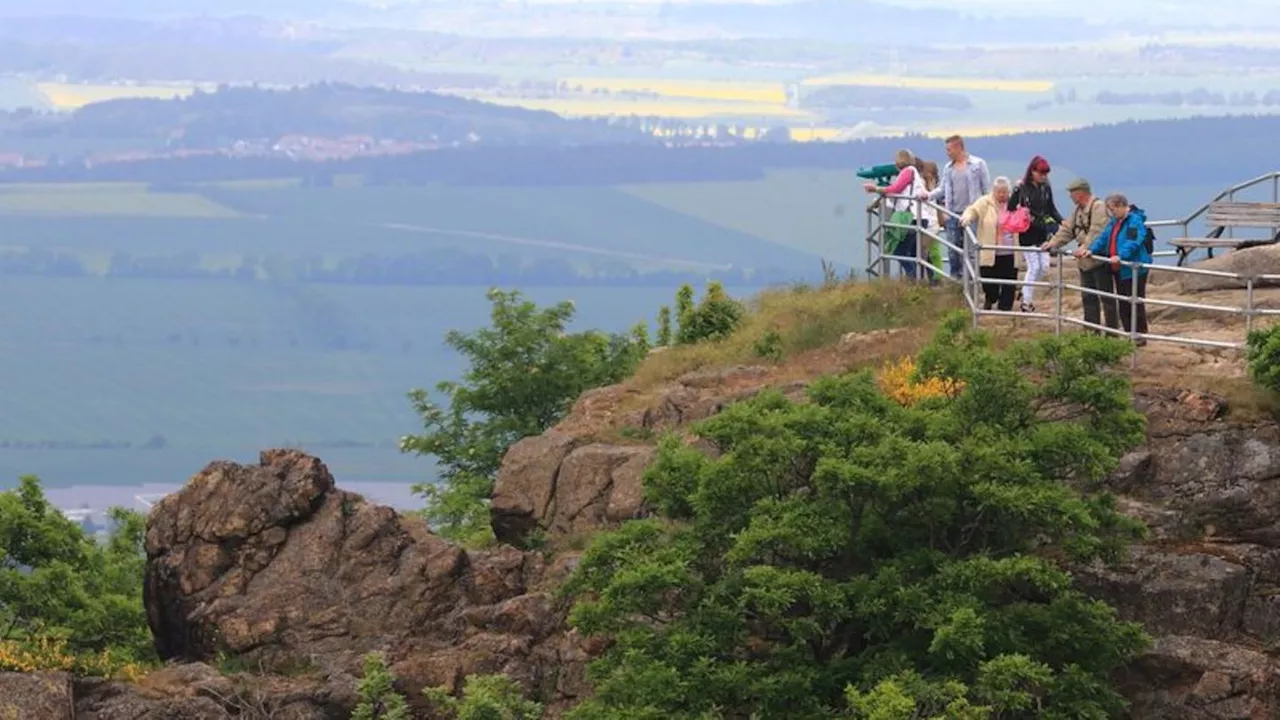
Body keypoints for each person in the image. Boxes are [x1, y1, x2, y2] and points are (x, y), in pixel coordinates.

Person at [1041, 178, 1117, 333]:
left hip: (1099, 261)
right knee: (1088, 298)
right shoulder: (1078, 211)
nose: (1070, 197)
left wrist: (1085, 247)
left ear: (1080, 194)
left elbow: (1097, 231)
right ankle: (1090, 332)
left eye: (1072, 193)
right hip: (1084, 262)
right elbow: (1068, 229)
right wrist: (1052, 243)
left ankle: (1112, 333)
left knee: (1106, 298)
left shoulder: (1098, 208)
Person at [1076, 193, 1151, 343]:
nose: (1113, 211)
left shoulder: (1134, 221)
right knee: (1123, 301)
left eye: (1115, 208)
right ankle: (1129, 332)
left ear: (1123, 206)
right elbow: (1104, 237)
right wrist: (1092, 249)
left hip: (1132, 269)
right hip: (1119, 269)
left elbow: (1133, 241)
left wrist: (1121, 255)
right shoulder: (1114, 222)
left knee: (1134, 301)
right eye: (1111, 208)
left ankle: (1139, 335)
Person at [924, 135, 991, 280]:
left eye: (949, 149)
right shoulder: (948, 168)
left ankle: (971, 280)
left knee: (971, 250)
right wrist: (928, 195)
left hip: (972, 214)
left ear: (958, 147)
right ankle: (956, 279)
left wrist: (986, 212)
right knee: (953, 249)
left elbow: (986, 191)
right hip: (953, 214)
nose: (947, 153)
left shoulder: (978, 165)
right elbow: (942, 189)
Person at [865, 149, 930, 281]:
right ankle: (920, 279)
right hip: (919, 216)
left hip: (911, 217)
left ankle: (913, 277)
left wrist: (876, 189)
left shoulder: (908, 171)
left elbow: (896, 189)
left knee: (898, 250)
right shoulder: (914, 174)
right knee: (913, 252)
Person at [1008, 155, 1063, 313]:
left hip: (1041, 231)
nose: (1043, 177)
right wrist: (1016, 191)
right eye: (1041, 173)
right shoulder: (1023, 188)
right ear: (1032, 171)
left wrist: (1061, 221)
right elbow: (1011, 208)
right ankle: (1026, 302)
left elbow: (1050, 208)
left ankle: (1025, 291)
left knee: (1044, 267)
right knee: (1034, 266)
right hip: (1027, 231)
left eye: (1045, 174)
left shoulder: (1045, 187)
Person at [961, 176, 1019, 311]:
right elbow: (972, 210)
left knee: (1009, 283)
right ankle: (991, 298)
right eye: (999, 191)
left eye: (1005, 192)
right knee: (988, 282)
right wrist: (967, 218)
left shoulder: (1015, 203)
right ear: (994, 191)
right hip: (990, 251)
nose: (1002, 195)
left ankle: (1005, 311)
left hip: (1010, 250)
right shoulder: (985, 202)